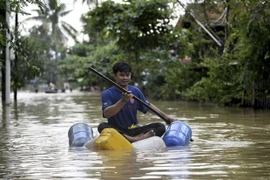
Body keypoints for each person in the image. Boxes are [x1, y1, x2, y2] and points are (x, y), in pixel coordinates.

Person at [97, 62, 174, 143]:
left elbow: (148, 106)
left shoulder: (135, 91)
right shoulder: (108, 93)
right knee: (102, 126)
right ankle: (134, 139)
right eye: (122, 75)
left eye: (127, 75)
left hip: (134, 129)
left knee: (160, 127)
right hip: (118, 131)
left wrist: (167, 117)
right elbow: (106, 114)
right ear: (114, 76)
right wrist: (123, 100)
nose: (125, 78)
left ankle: (137, 137)